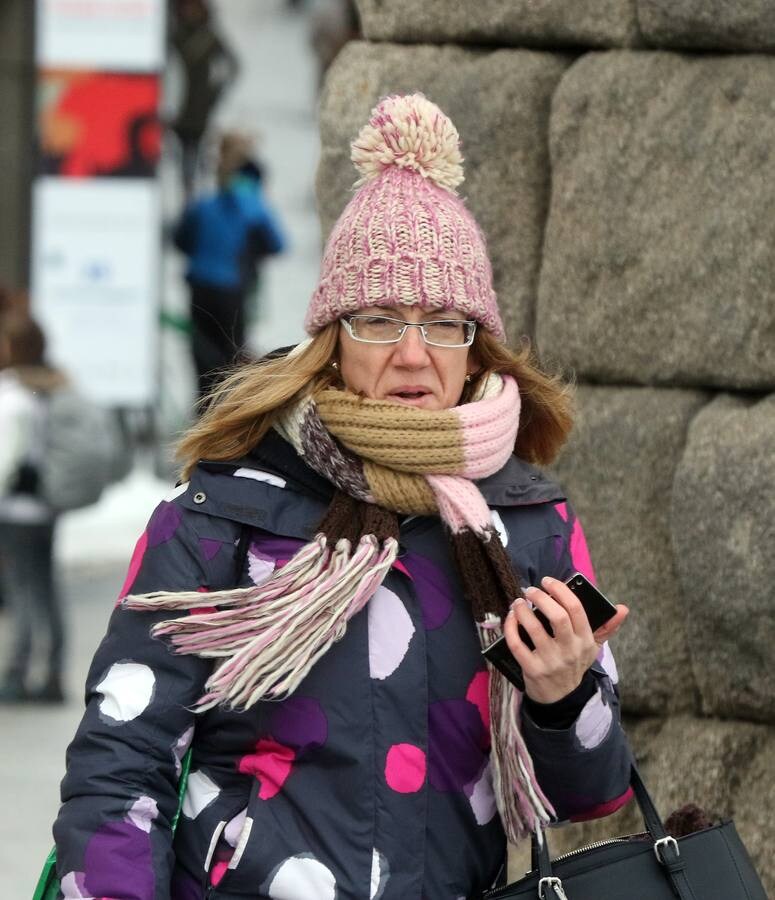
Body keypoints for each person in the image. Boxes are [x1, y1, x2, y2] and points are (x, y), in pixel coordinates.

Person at [52, 94, 633, 898]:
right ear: (330, 342)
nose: (410, 354)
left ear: (475, 348)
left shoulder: (528, 525)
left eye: (441, 324)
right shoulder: (223, 515)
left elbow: (589, 793)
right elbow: (121, 762)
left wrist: (563, 696)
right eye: (377, 320)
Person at [174, 131, 286, 400]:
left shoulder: (204, 206)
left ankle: (205, 414)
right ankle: (224, 416)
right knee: (230, 360)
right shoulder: (252, 206)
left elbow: (181, 239)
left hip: (200, 288)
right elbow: (277, 244)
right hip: (233, 291)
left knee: (203, 359)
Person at [0, 313, 67, 703]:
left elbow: (5, 460)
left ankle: (18, 672)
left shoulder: (13, 395)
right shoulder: (49, 387)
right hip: (45, 506)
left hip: (16, 511)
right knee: (46, 588)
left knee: (22, 589)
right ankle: (54, 670)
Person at [170, 0, 239, 198]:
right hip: (177, 107)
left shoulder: (208, 37)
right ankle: (187, 195)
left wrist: (215, 92)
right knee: (181, 155)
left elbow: (232, 66)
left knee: (196, 151)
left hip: (199, 106)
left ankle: (195, 196)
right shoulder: (175, 36)